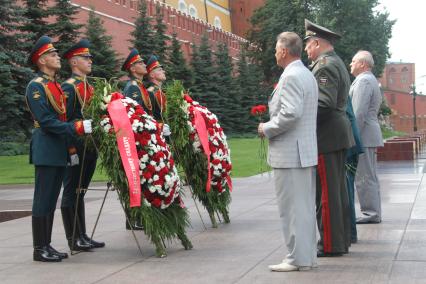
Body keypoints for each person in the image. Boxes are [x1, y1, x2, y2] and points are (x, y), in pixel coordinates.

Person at [26, 35, 92, 262]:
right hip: (46, 147)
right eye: (53, 55)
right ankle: (39, 248)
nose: (57, 57)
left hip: (58, 148)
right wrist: (78, 127)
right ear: (42, 60)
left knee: (51, 197)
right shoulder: (36, 86)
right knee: (43, 199)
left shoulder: (53, 85)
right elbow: (46, 120)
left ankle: (47, 245)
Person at [258, 32, 318, 272]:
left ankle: (296, 258)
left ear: (284, 51)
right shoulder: (305, 73)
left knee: (292, 210)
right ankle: (306, 256)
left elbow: (291, 113)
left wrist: (267, 128)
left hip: (291, 153)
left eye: (275, 48)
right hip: (302, 151)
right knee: (302, 209)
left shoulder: (291, 76)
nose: (274, 52)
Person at [304, 19, 355, 257]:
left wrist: (300, 117)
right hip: (335, 134)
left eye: (308, 44)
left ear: (316, 42)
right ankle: (339, 241)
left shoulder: (324, 66)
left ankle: (331, 244)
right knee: (335, 192)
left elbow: (323, 104)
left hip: (327, 136)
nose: (306, 49)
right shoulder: (334, 62)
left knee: (326, 195)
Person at [61, 39, 105, 251]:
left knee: (81, 191)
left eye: (90, 57)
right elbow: (65, 120)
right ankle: (73, 238)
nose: (90, 61)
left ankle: (83, 234)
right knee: (71, 191)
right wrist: (70, 148)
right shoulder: (68, 87)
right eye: (85, 58)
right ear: (74, 62)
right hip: (75, 147)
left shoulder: (89, 86)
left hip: (89, 146)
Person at [349, 50, 383, 224]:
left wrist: (352, 137)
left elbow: (358, 113)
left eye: (353, 61)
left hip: (364, 135)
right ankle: (373, 211)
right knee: (368, 175)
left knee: (364, 176)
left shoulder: (363, 81)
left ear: (363, 63)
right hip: (368, 134)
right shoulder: (369, 80)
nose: (350, 64)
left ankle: (370, 213)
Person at [345, 98, 364, 243]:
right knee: (347, 190)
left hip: (346, 144)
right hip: (350, 142)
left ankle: (349, 233)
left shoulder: (326, 74)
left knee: (345, 191)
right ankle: (349, 233)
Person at [122, 48, 154, 116]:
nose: (145, 65)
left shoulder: (139, 85)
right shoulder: (133, 87)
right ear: (133, 69)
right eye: (140, 63)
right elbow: (136, 114)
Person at [145, 55, 170, 136]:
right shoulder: (150, 92)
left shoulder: (162, 90)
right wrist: (160, 127)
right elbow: (149, 116)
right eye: (160, 70)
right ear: (152, 75)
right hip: (160, 134)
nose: (164, 72)